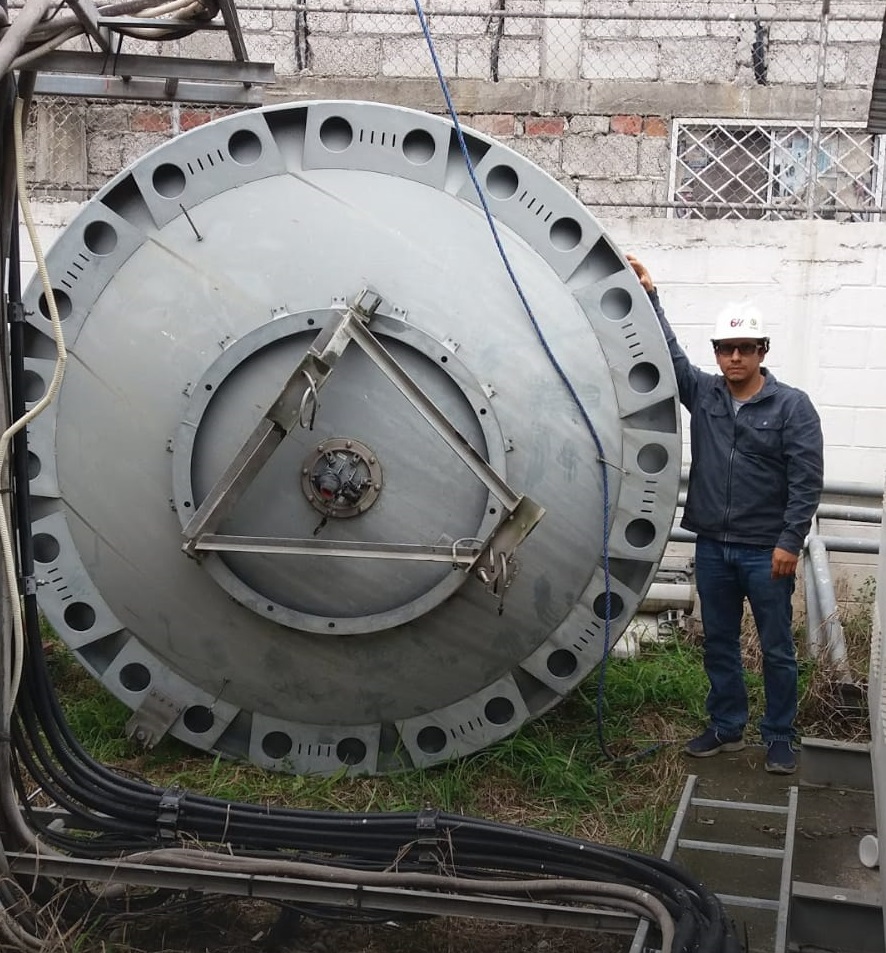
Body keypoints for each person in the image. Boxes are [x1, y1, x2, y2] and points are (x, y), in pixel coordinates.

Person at [628, 255, 824, 775]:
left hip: (766, 551)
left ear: (762, 351)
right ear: (717, 352)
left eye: (745, 348)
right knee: (719, 641)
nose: (734, 357)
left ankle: (779, 735)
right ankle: (727, 726)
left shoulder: (792, 407)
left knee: (777, 647)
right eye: (725, 348)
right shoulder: (705, 394)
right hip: (713, 546)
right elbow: (670, 358)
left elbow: (807, 480)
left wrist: (790, 540)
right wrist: (650, 296)